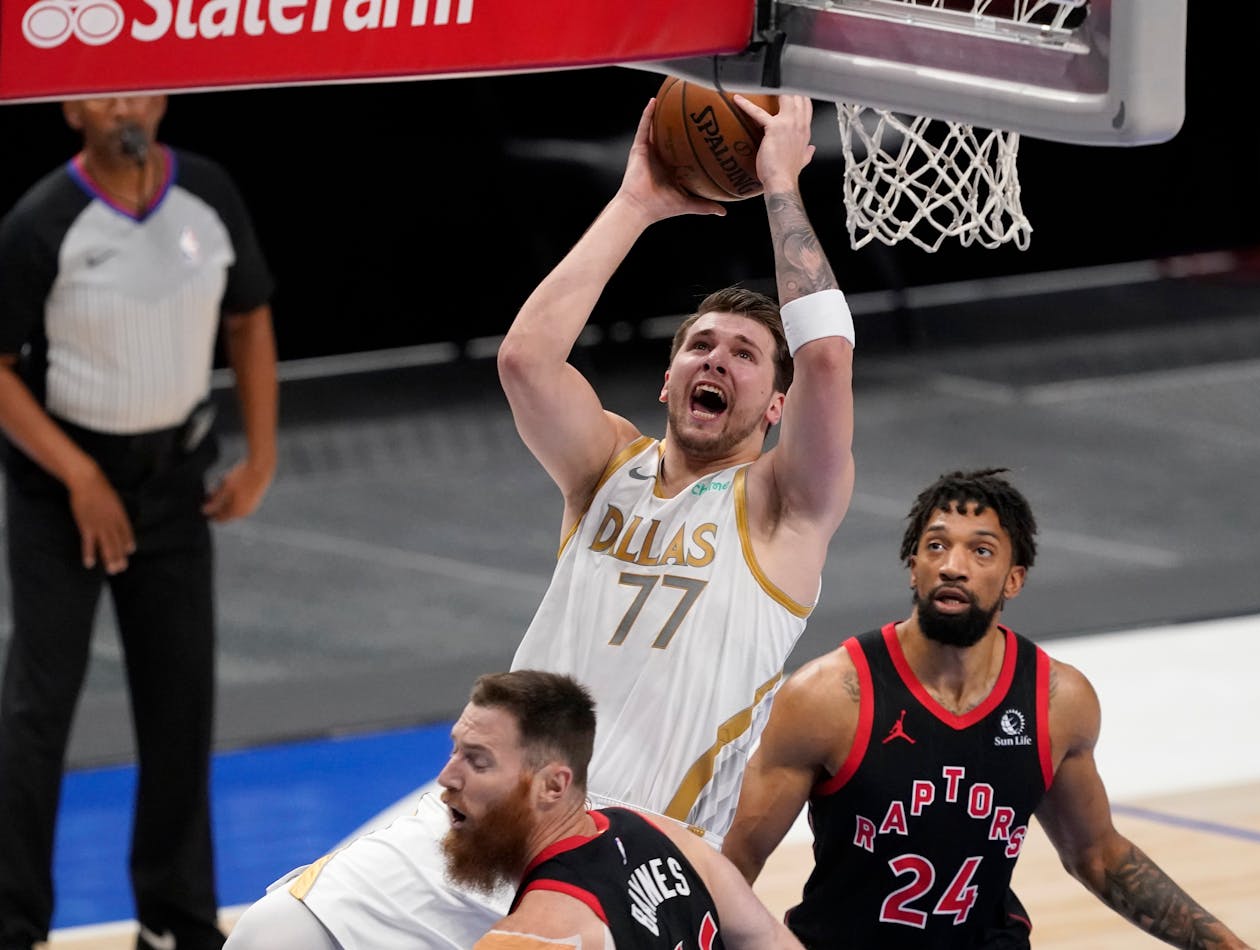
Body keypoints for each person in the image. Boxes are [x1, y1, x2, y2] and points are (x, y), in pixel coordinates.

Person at [225, 91, 853, 950]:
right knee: (269, 934)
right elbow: (525, 360)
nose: (716, 360)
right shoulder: (607, 469)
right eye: (699, 346)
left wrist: (780, 180)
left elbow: (825, 354)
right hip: (490, 812)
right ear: (668, 382)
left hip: (622, 851)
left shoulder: (786, 511)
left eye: (744, 355)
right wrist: (638, 201)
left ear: (775, 404)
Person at [721, 469, 1253, 949]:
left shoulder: (1056, 701)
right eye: (936, 546)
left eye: (980, 551)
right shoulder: (829, 696)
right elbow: (735, 861)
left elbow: (1098, 855)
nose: (953, 566)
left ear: (1013, 579)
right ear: (913, 568)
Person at [0, 95, 278, 950]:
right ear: (68, 109)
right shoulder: (41, 221)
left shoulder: (208, 192)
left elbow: (248, 316)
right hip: (62, 490)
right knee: (36, 709)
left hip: (173, 484)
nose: (123, 104)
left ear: (162, 98)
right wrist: (79, 476)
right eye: (102, 90)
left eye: (137, 86)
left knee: (179, 703)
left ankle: (176, 919)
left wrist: (261, 455)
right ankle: (13, 925)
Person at [452, 670, 801, 949]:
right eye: (454, 751)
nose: (446, 777)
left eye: (477, 762)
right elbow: (766, 938)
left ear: (553, 785)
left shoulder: (535, 935)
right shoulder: (660, 833)